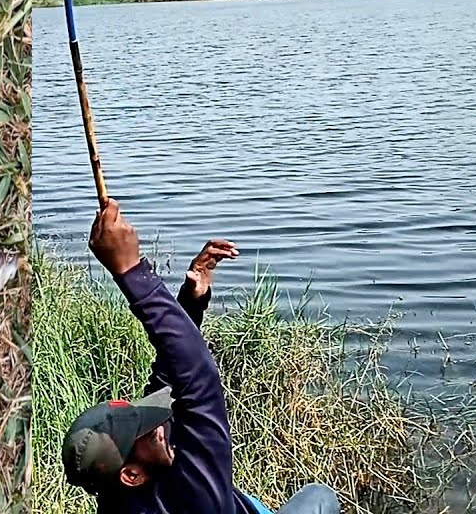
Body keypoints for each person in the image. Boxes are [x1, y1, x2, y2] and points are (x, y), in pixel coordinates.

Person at [62, 198, 341, 514]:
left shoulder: (121, 496)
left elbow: (167, 388)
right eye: (142, 428)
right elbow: (199, 379)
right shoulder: (196, 499)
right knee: (319, 496)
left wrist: (191, 303)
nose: (158, 426)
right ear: (132, 474)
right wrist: (130, 272)